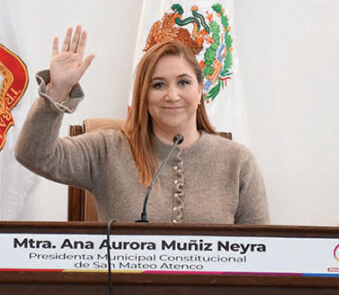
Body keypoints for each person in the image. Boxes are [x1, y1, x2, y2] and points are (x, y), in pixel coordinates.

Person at [15, 25, 269, 224]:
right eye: (158, 85)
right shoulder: (107, 149)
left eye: (183, 82)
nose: (172, 95)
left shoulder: (238, 160)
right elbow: (34, 155)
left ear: (200, 90)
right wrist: (57, 91)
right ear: (142, 95)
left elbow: (262, 252)